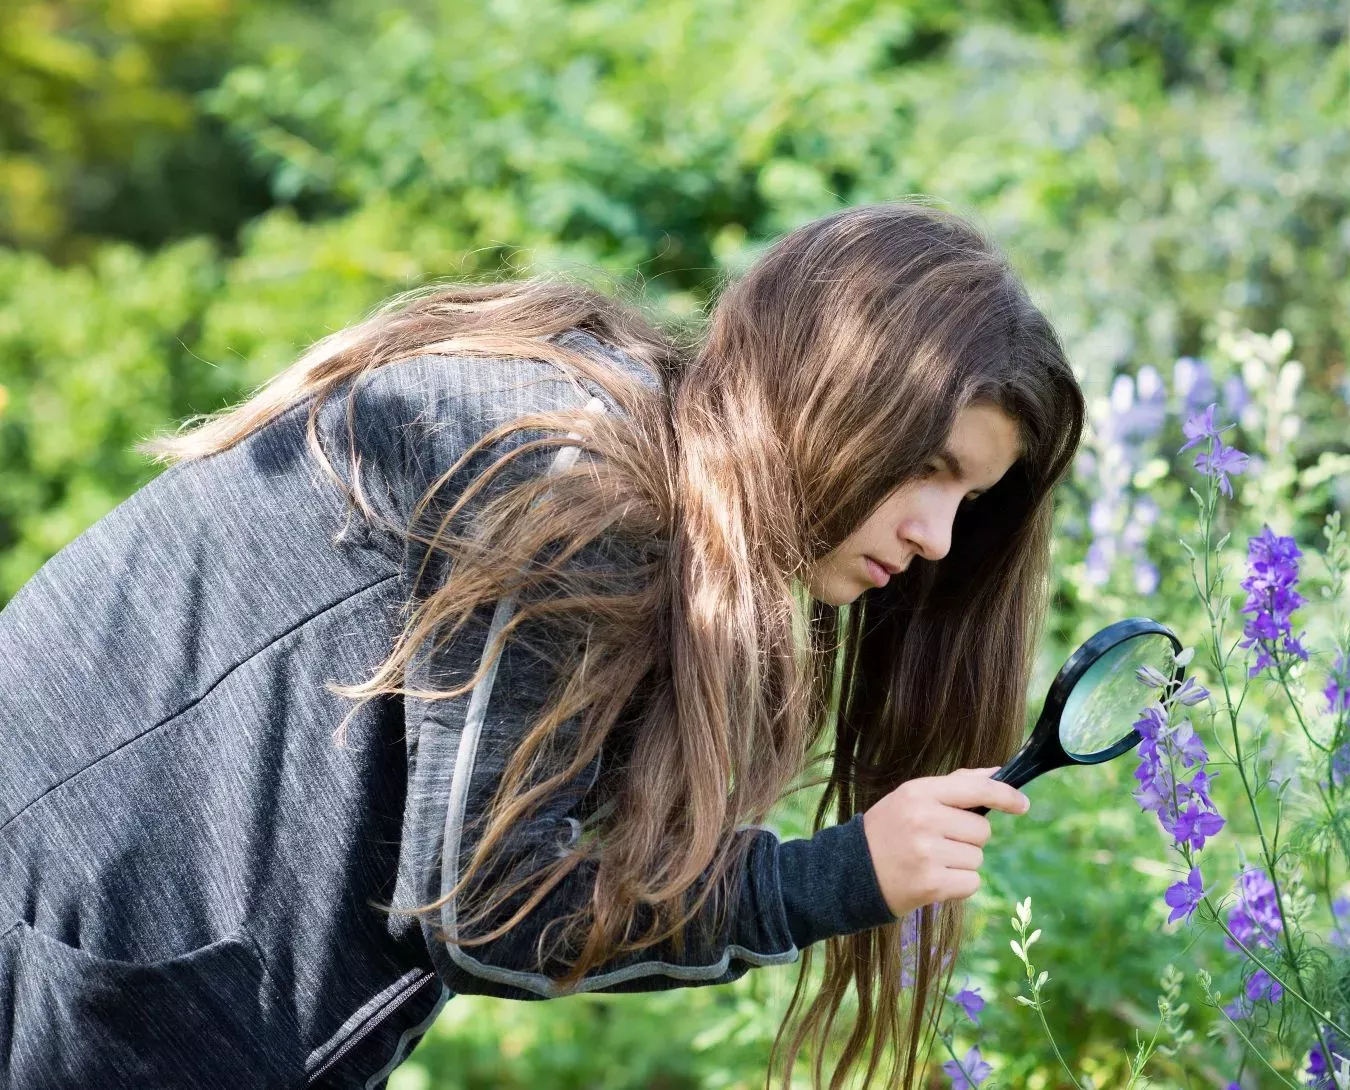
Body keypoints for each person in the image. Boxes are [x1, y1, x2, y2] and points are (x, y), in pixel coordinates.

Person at [0, 199, 1084, 1089]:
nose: (937, 537)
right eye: (928, 468)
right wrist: (828, 879)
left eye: (969, 497)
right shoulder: (582, 490)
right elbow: (479, 911)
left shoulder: (609, 437)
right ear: (842, 399)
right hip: (57, 958)